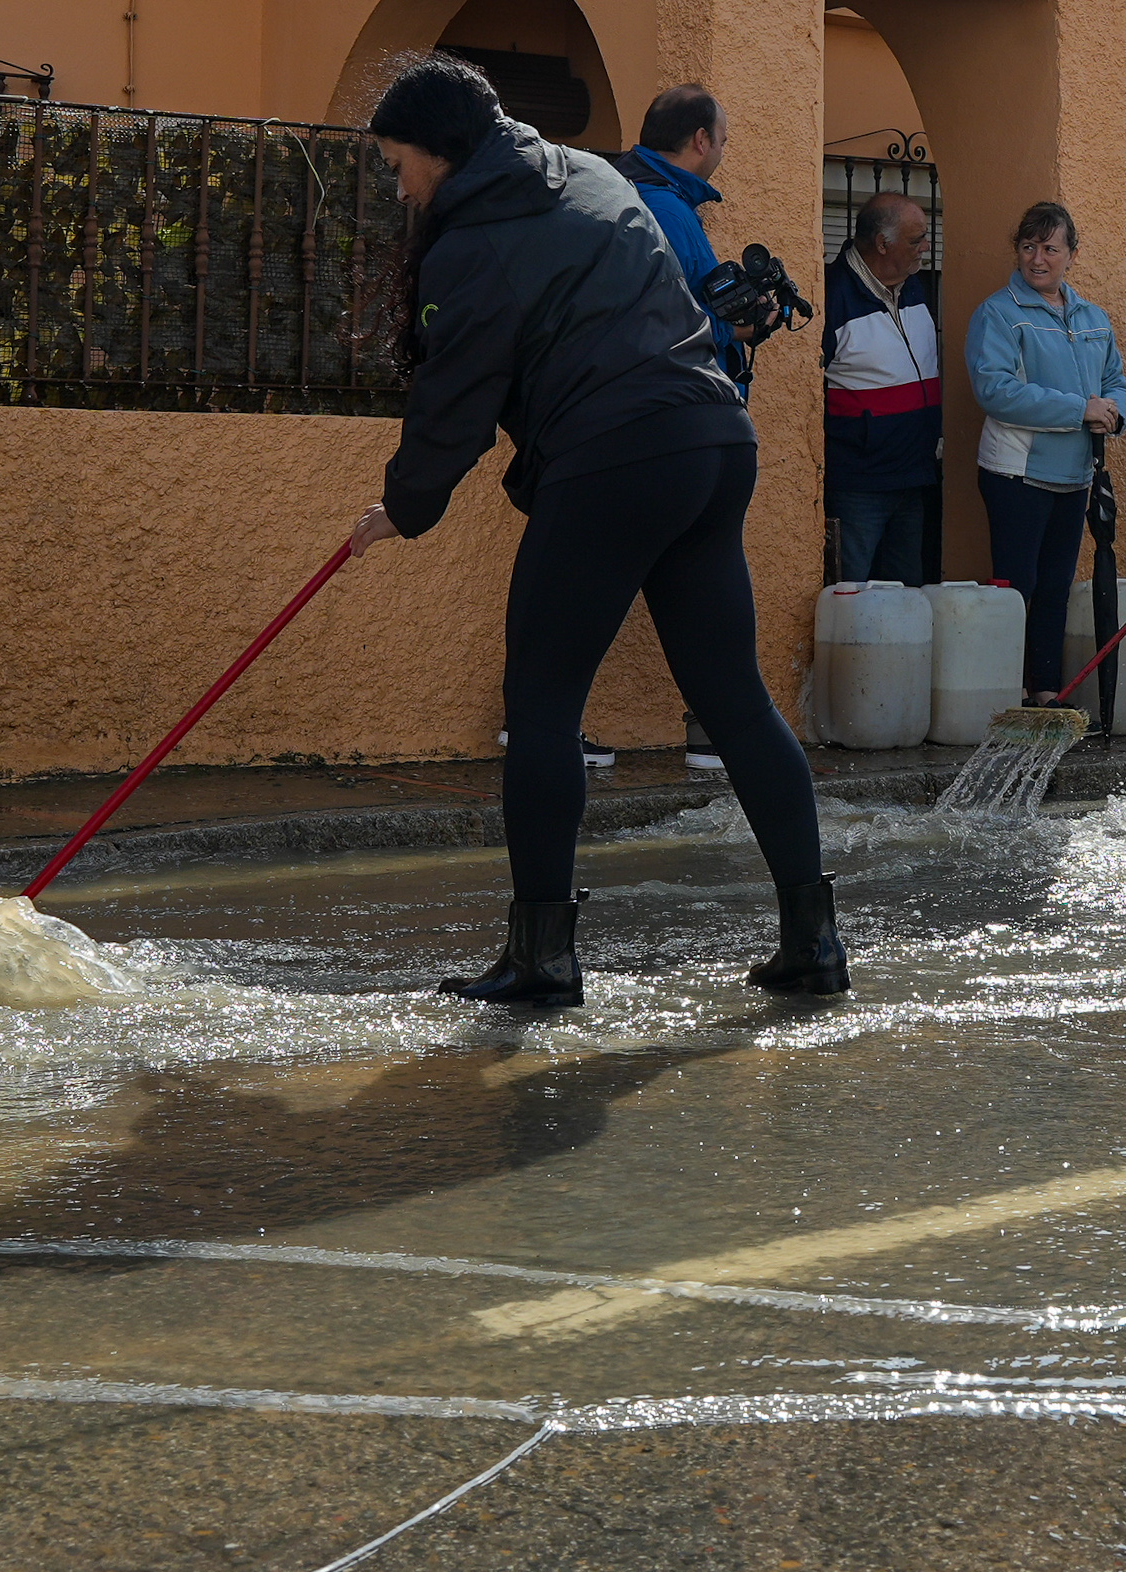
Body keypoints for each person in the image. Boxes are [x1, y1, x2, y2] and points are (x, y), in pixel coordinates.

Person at [345, 53, 842, 1006]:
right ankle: (812, 941)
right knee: (734, 699)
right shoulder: (592, 173)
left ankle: (543, 958)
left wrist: (404, 508)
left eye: (397, 161)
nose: (396, 183)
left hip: (615, 458)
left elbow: (453, 401)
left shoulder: (471, 244)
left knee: (539, 705)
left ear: (442, 153)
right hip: (712, 441)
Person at [965, 201, 1126, 707]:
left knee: (1056, 587)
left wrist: (1113, 414)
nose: (1038, 258)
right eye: (1028, 247)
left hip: (1074, 475)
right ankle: (1007, 693)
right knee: (1019, 587)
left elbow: (1116, 384)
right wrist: (1083, 410)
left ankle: (1045, 693)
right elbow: (996, 391)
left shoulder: (1093, 318)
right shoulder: (998, 313)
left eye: (1050, 248)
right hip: (1016, 473)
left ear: (1071, 255)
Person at [823, 190, 941, 585]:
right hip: (860, 484)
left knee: (906, 600)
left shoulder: (913, 286)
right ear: (882, 243)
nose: (925, 247)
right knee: (849, 596)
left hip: (914, 475)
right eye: (915, 240)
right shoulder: (831, 296)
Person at [615, 83, 741, 379]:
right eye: (721, 142)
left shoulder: (635, 191)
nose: (721, 153)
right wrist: (734, 330)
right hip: (674, 393)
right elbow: (663, 318)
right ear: (701, 140)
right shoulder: (665, 211)